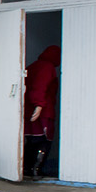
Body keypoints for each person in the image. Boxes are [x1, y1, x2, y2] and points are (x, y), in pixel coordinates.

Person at [23, 45, 60, 179]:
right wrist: (39, 106)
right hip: (43, 111)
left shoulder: (33, 66)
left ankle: (26, 169)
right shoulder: (47, 67)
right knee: (44, 140)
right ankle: (36, 170)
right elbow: (39, 87)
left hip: (29, 110)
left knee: (32, 140)